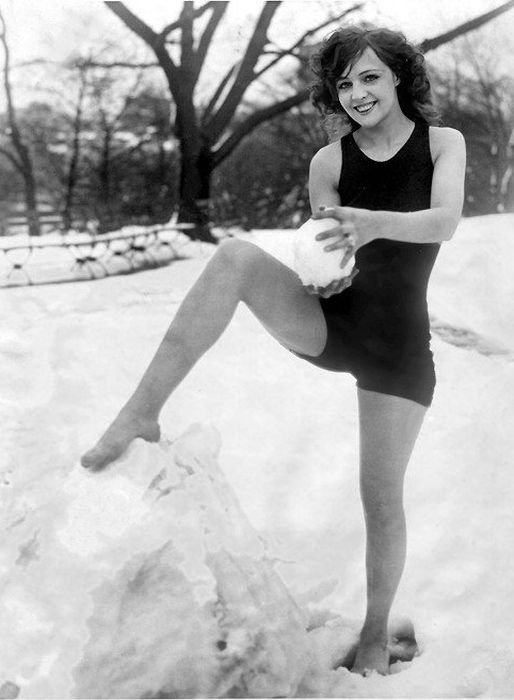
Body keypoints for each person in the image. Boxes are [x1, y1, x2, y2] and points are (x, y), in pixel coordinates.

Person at [81, 25, 466, 676]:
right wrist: (321, 265)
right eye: (344, 83)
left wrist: (370, 225)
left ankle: (376, 630)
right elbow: (320, 248)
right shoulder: (329, 162)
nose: (358, 93)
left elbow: (446, 221)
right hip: (331, 323)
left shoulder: (442, 143)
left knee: (380, 496)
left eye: (370, 76)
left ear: (399, 76)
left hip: (398, 350)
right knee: (233, 258)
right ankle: (139, 412)